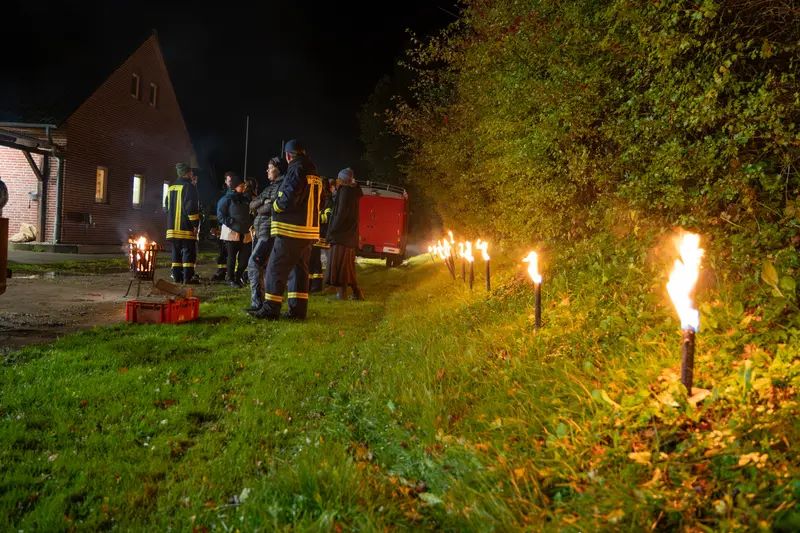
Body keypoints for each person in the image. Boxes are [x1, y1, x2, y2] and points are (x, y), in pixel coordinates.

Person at [253, 139, 323, 320]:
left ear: (288, 155)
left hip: (292, 231)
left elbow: (288, 198)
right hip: (308, 232)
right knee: (299, 272)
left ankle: (270, 309)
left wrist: (276, 205)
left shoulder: (296, 169)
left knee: (275, 269)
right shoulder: (314, 173)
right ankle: (297, 311)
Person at [245, 157, 285, 312]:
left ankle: (257, 304)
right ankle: (260, 302)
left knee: (254, 265)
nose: (267, 171)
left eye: (270, 168)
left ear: (278, 169)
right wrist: (262, 203)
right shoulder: (270, 187)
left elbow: (270, 208)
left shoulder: (280, 186)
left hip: (267, 233)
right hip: (261, 231)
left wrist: (261, 206)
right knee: (259, 266)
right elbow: (252, 204)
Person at [325, 167, 364, 300]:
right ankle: (356, 293)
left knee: (342, 266)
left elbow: (341, 214)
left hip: (341, 235)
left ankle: (342, 295)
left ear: (342, 180)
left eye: (338, 178)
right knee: (347, 267)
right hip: (349, 235)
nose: (336, 181)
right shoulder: (353, 192)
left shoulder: (345, 192)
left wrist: (332, 231)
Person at [165, 163, 201, 285]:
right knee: (188, 251)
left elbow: (166, 208)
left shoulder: (171, 188)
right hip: (185, 227)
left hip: (172, 229)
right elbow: (191, 208)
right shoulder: (189, 187)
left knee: (176, 251)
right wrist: (195, 224)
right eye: (190, 173)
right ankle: (187, 278)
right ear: (185, 173)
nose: (192, 175)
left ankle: (176, 276)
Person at [217, 174, 253, 288]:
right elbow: (220, 215)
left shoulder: (246, 199)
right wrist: (231, 222)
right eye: (241, 186)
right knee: (231, 257)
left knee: (244, 258)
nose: (243, 188)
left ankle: (238, 277)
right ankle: (231, 279)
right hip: (231, 233)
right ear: (235, 186)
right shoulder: (226, 199)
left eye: (244, 186)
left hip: (245, 233)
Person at [309, 179, 332, 292]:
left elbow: (327, 217)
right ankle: (314, 285)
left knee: (314, 259)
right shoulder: (321, 197)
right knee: (314, 259)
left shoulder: (327, 199)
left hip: (320, 233)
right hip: (317, 232)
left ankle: (314, 285)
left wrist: (314, 216)